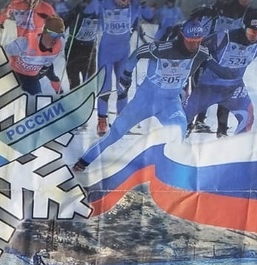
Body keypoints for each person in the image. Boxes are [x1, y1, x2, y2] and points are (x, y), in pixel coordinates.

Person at [73, 18, 209, 172]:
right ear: (182, 36)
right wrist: (126, 75)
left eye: (198, 41)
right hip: (144, 101)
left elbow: (214, 67)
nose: (194, 46)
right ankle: (84, 161)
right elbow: (138, 53)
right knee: (116, 133)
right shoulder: (162, 48)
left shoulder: (201, 53)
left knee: (179, 130)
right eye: (190, 41)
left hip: (170, 103)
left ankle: (168, 172)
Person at [184, 7, 257, 138]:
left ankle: (236, 147)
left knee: (248, 119)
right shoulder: (223, 37)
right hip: (208, 87)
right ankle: (177, 141)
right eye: (252, 31)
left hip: (234, 88)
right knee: (182, 118)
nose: (255, 35)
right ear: (244, 27)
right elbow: (195, 49)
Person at [95, 0, 155, 136]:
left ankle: (121, 123)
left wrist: (143, 4)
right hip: (106, 54)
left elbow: (150, 16)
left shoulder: (134, 5)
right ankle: (102, 122)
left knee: (123, 87)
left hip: (123, 53)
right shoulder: (105, 3)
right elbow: (92, 7)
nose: (123, 2)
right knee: (105, 87)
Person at [5, 15, 67, 96]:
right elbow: (3, 52)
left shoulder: (59, 45)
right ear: (45, 31)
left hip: (31, 77)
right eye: (53, 35)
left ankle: (60, 94)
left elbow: (48, 64)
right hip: (13, 73)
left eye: (60, 35)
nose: (56, 39)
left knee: (37, 97)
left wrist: (43, 70)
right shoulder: (25, 43)